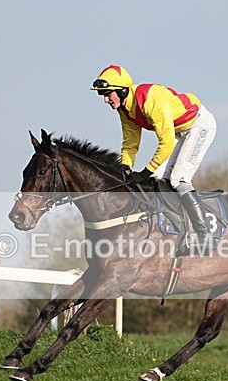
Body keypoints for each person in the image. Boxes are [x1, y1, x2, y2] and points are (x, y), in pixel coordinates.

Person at [91, 64, 217, 252]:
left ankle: (205, 235)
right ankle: (180, 229)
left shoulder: (149, 100)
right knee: (157, 179)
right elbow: (130, 143)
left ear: (122, 90)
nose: (106, 100)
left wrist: (144, 171)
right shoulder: (124, 110)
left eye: (108, 94)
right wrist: (125, 166)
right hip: (182, 132)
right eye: (103, 95)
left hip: (199, 126)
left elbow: (165, 143)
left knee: (178, 178)